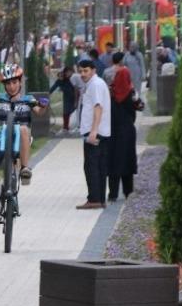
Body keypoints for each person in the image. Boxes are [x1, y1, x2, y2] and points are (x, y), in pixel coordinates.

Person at [0, 63, 47, 216]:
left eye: (14, 82)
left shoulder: (28, 99)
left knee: (23, 128)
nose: (11, 86)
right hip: (0, 139)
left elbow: (39, 112)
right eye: (8, 83)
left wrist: (42, 105)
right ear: (4, 85)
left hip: (21, 141)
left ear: (20, 82)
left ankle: (25, 168)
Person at [75, 59, 111, 210]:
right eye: (81, 71)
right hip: (98, 131)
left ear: (93, 70)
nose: (83, 74)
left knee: (92, 166)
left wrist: (94, 131)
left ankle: (94, 199)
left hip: (94, 132)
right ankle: (100, 199)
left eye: (86, 71)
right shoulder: (95, 84)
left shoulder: (95, 85)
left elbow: (98, 107)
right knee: (99, 166)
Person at [107, 51, 138, 201]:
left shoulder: (111, 93)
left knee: (114, 162)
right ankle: (128, 192)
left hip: (113, 133)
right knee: (127, 162)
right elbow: (138, 108)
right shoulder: (131, 95)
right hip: (127, 131)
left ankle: (112, 194)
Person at [49, 66, 77, 133]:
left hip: (73, 97)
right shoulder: (58, 81)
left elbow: (74, 88)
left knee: (73, 112)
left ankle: (76, 127)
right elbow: (52, 89)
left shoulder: (69, 79)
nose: (61, 76)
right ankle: (65, 127)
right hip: (66, 98)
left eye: (62, 74)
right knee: (65, 112)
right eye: (59, 75)